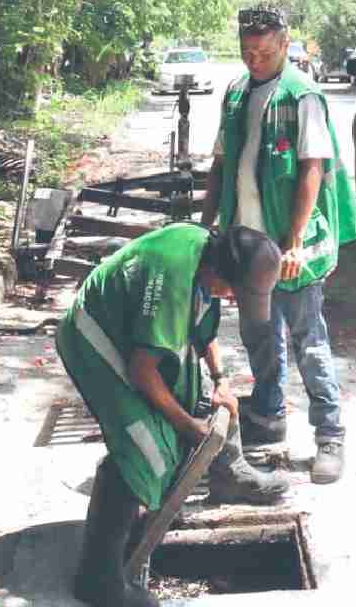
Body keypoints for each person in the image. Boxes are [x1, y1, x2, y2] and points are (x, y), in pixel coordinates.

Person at [56, 223, 291, 607]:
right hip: (97, 338)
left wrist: (221, 381)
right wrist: (188, 426)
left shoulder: (207, 257)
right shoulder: (170, 278)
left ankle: (229, 476)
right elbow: (142, 371)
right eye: (233, 289)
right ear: (219, 272)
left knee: (199, 396)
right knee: (142, 446)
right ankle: (98, 579)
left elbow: (204, 328)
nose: (232, 297)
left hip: (135, 337)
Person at [201, 4, 356, 485]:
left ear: (285, 44)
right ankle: (269, 416)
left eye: (265, 51)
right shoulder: (235, 94)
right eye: (247, 51)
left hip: (290, 252)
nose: (254, 60)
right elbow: (219, 165)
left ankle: (330, 436)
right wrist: (206, 224)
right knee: (259, 337)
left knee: (307, 343)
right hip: (247, 249)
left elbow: (312, 169)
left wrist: (294, 242)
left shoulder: (303, 96)